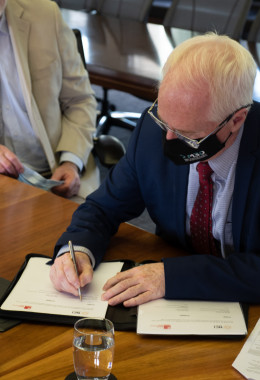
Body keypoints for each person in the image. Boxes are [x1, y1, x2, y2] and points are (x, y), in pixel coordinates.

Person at [50, 32, 260, 308]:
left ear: (236, 120)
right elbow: (103, 208)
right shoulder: (151, 130)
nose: (168, 139)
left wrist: (171, 277)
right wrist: (76, 250)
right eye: (164, 121)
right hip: (168, 309)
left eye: (187, 134)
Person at [0, 0, 99, 201]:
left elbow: (81, 100)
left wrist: (71, 161)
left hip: (58, 171)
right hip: (5, 183)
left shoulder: (45, 13)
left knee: (81, 230)